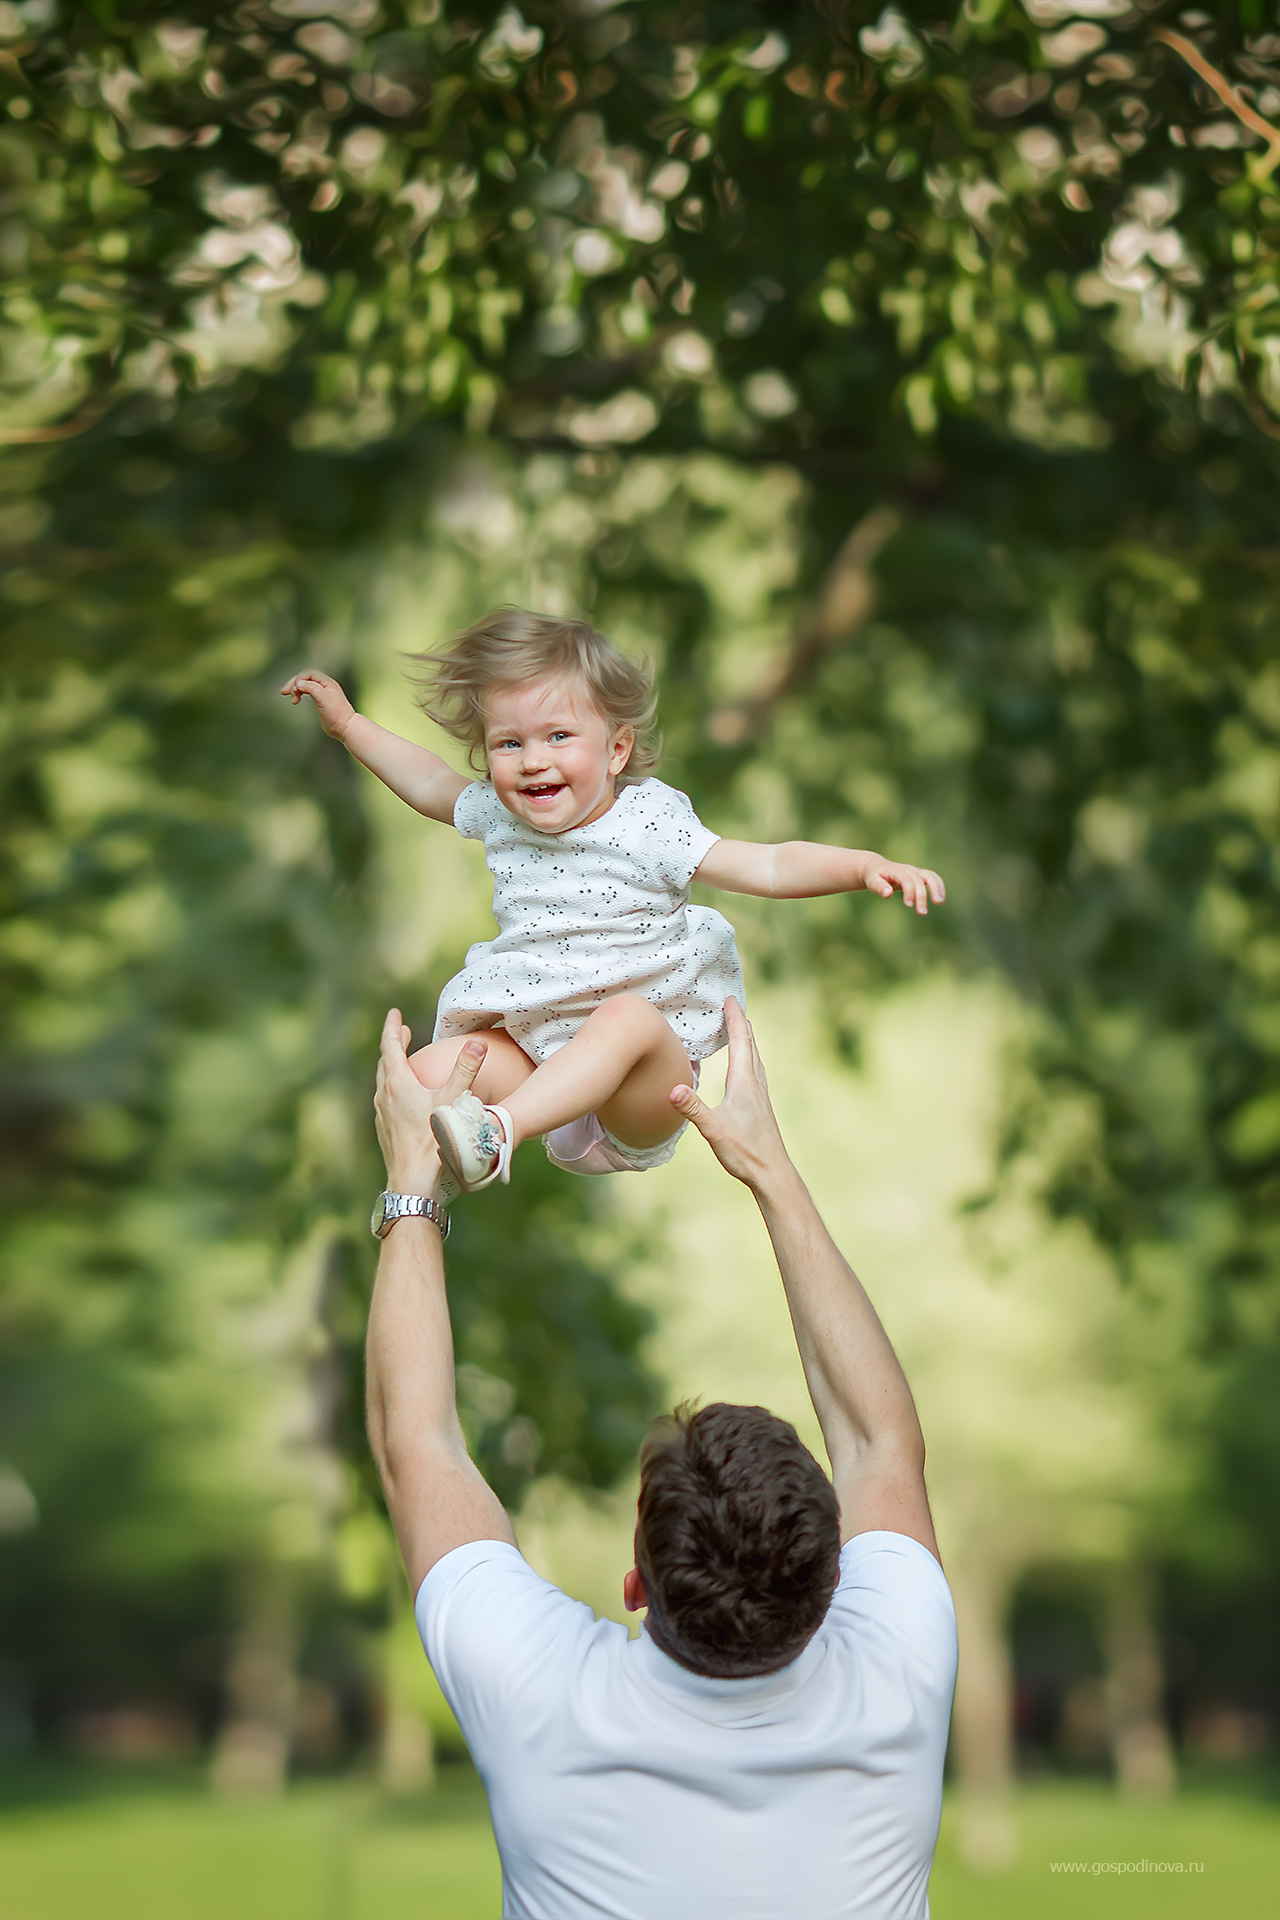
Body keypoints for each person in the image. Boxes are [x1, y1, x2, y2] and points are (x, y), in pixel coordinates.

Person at [366, 995, 957, 1920]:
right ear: (837, 1575)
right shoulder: (897, 1675)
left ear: (636, 1586)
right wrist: (771, 1170)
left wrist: (413, 1178)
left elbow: (419, 1446)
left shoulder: (540, 1696)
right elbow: (881, 1440)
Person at [283, 608, 944, 1193]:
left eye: (558, 737)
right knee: (429, 1069)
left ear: (617, 748)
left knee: (625, 1019)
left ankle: (495, 1135)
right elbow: (429, 780)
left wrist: (862, 865)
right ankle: (440, 1172)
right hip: (539, 1056)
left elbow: (767, 864)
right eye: (508, 743)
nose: (532, 761)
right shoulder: (501, 813)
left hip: (639, 1085)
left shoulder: (649, 824)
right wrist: (350, 727)